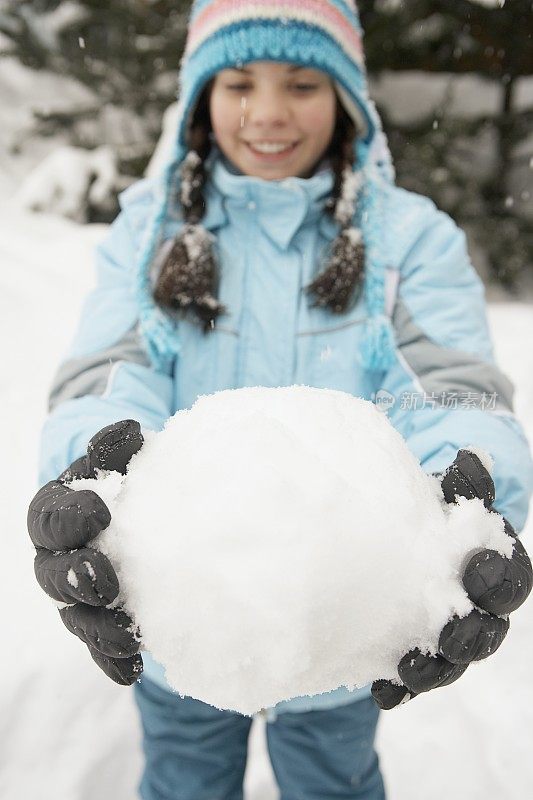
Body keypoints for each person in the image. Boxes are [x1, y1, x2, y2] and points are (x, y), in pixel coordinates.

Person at [28, 1, 533, 798]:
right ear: (201, 99)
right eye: (238, 83)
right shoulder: (149, 232)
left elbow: (448, 386)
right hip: (176, 616)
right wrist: (91, 478)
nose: (267, 113)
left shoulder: (407, 240)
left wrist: (458, 508)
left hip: (344, 621)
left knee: (331, 784)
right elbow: (111, 369)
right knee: (185, 778)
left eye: (301, 82)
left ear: (345, 99)